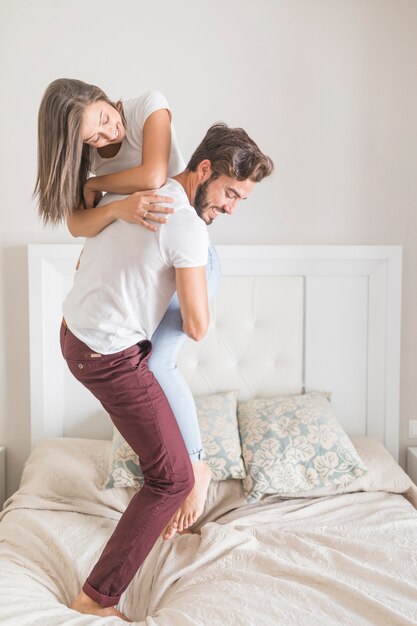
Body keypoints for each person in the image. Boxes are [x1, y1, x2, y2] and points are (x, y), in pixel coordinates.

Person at [59, 122, 273, 619]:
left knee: (162, 374)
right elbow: (198, 328)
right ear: (203, 169)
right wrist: (200, 278)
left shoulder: (144, 190)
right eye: (230, 193)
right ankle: (95, 599)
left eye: (241, 200)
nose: (231, 208)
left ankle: (194, 461)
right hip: (106, 357)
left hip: (77, 335)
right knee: (171, 479)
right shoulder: (187, 226)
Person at [35, 78, 218, 537]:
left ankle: (196, 467)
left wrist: (97, 185)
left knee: (160, 364)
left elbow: (154, 175)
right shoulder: (90, 154)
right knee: (146, 369)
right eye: (93, 140)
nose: (106, 136)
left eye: (101, 120)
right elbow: (79, 223)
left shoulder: (147, 107)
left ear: (100, 95)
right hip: (150, 272)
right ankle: (172, 471)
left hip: (186, 259)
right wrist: (116, 210)